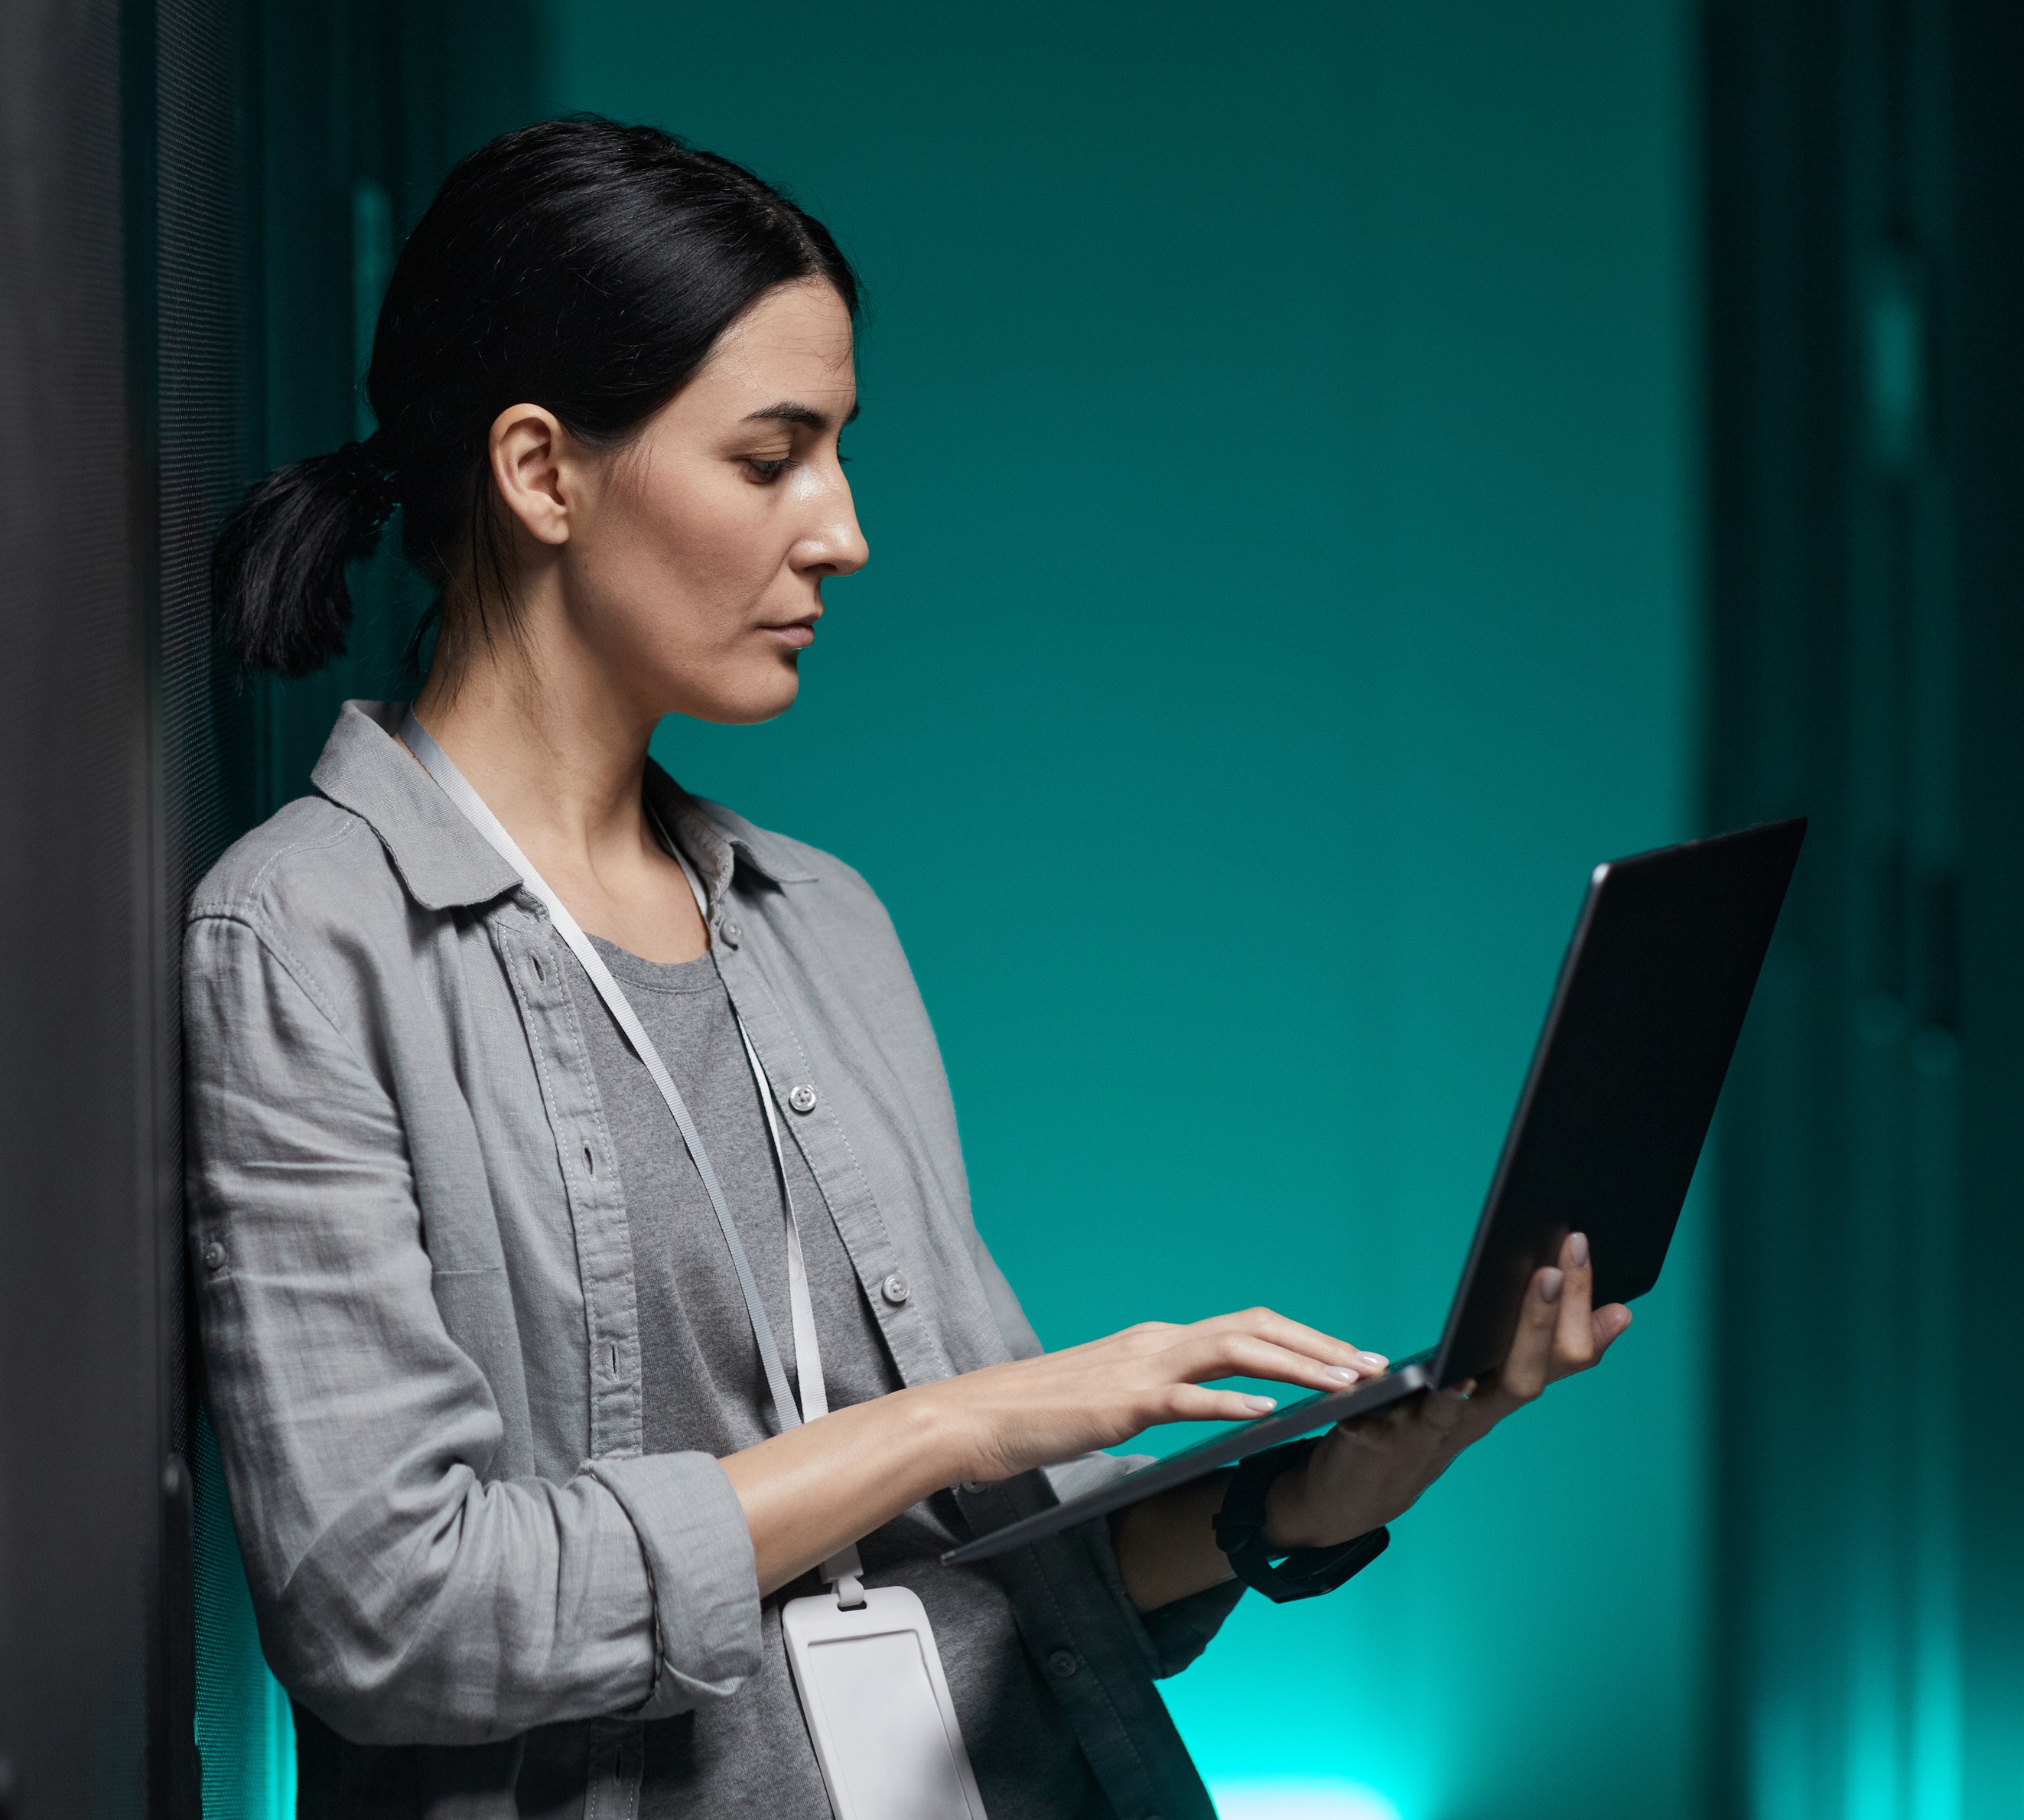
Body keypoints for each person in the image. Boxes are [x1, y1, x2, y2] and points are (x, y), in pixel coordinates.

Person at [186, 116, 1632, 1820]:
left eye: (838, 452)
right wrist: (955, 1419)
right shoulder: (305, 936)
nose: (841, 530)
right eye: (768, 457)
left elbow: (1019, 1593)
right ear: (540, 471)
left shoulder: (817, 919)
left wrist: (1312, 1491)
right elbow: (395, 1611)